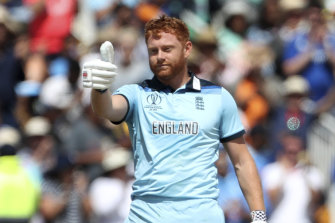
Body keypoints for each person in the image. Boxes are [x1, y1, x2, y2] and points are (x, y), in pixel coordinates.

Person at [82, 15, 267, 223]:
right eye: (153, 51)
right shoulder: (136, 94)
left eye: (167, 49)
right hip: (147, 218)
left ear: (187, 49)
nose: (159, 56)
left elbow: (242, 161)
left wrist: (259, 217)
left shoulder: (218, 97)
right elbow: (106, 108)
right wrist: (100, 87)